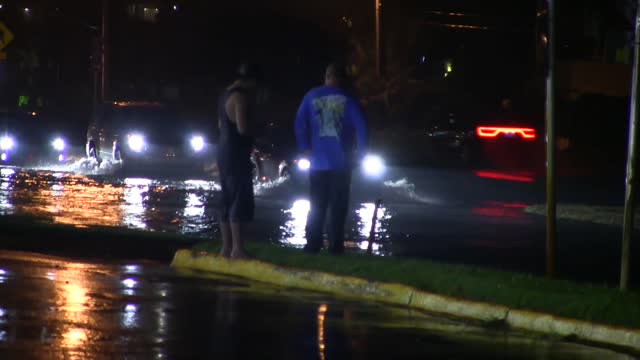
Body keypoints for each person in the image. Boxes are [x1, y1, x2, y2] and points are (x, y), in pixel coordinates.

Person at [294, 63, 368, 254]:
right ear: (341, 79)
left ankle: (312, 244)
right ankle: (335, 247)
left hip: (317, 162)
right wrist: (360, 154)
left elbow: (299, 123)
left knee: (316, 204)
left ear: (326, 76)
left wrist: (304, 148)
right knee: (338, 206)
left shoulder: (311, 96)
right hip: (341, 163)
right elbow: (362, 128)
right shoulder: (349, 99)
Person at [217, 63, 262, 259]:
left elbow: (220, 125)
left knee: (226, 198)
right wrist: (259, 132)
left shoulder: (224, 95)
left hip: (224, 151)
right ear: (250, 81)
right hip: (236, 153)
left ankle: (225, 248)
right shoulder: (240, 98)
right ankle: (238, 249)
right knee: (238, 198)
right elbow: (242, 128)